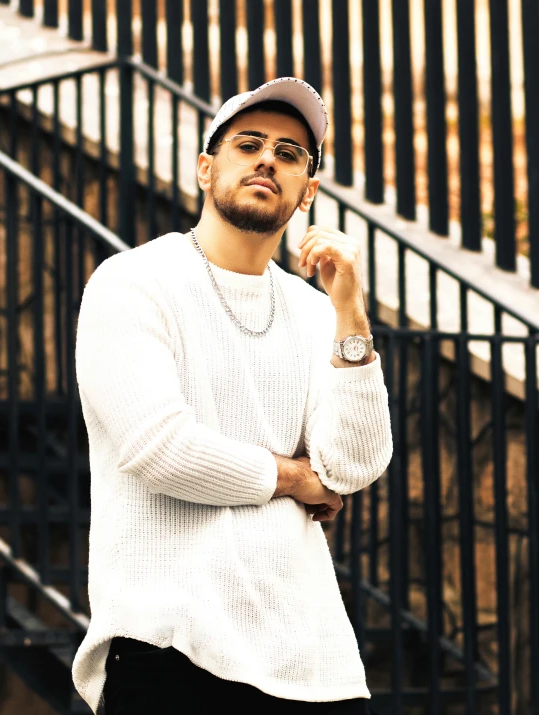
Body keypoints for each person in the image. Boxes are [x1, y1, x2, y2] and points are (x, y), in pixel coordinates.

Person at [72, 77, 393, 714]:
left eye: (291, 153)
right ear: (205, 167)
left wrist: (350, 314)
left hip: (313, 664)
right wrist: (297, 479)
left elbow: (352, 467)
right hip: (170, 648)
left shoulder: (313, 312)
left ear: (309, 190)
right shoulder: (133, 283)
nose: (268, 159)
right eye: (248, 144)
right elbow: (161, 449)